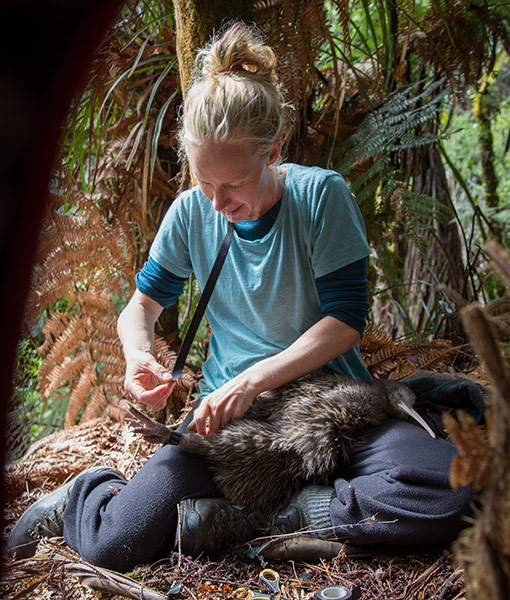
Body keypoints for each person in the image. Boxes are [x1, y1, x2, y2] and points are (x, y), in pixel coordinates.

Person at [7, 22, 472, 571]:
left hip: (334, 411)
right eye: (205, 184)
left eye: (232, 185)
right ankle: (86, 495)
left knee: (455, 492)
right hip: (230, 429)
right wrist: (138, 357)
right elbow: (141, 308)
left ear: (272, 150)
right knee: (117, 542)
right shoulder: (189, 214)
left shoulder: (321, 197)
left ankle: (285, 517)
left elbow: (344, 321)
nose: (217, 201)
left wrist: (252, 380)